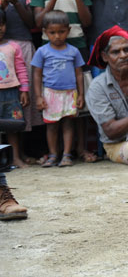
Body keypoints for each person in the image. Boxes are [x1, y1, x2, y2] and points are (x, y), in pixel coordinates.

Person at [86, 27, 128, 165]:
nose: (123, 55)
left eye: (126, 50)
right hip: (119, 144)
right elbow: (110, 131)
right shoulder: (97, 87)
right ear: (105, 57)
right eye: (116, 52)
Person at [31, 11, 85, 168]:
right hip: (50, 94)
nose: (57, 36)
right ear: (45, 32)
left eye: (61, 32)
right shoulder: (42, 51)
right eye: (52, 33)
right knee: (52, 125)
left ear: (68, 31)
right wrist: (39, 96)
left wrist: (81, 94)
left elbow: (79, 74)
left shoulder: (73, 51)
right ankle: (53, 154)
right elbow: (36, 75)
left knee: (68, 124)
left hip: (70, 93)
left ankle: (67, 154)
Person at [0, 0, 37, 154]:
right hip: (2, 49)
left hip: (22, 45)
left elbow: (32, 22)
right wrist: (3, 5)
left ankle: (21, 151)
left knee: (23, 101)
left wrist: (16, 3)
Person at [0, 10, 29, 169]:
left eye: (2, 24)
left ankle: (15, 158)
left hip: (12, 93)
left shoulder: (13, 47)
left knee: (13, 127)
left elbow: (21, 69)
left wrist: (24, 89)